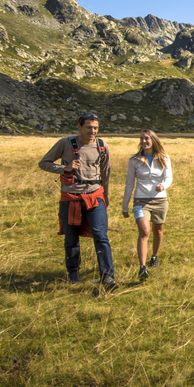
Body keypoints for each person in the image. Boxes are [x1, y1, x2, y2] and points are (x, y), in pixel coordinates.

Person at [38, 113, 117, 290]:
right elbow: (44, 163)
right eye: (89, 127)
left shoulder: (102, 146)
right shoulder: (65, 143)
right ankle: (73, 275)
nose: (92, 131)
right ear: (79, 126)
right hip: (71, 198)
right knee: (71, 238)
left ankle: (108, 276)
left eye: (95, 127)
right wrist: (63, 168)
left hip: (95, 196)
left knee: (101, 235)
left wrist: (106, 195)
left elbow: (106, 173)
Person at [122, 129, 173, 282]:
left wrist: (163, 186)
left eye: (146, 139)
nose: (143, 142)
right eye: (141, 139)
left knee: (158, 230)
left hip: (160, 200)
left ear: (153, 140)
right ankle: (142, 267)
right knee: (145, 231)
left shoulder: (164, 158)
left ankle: (154, 257)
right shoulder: (134, 160)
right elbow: (129, 184)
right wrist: (125, 205)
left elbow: (168, 177)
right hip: (140, 201)